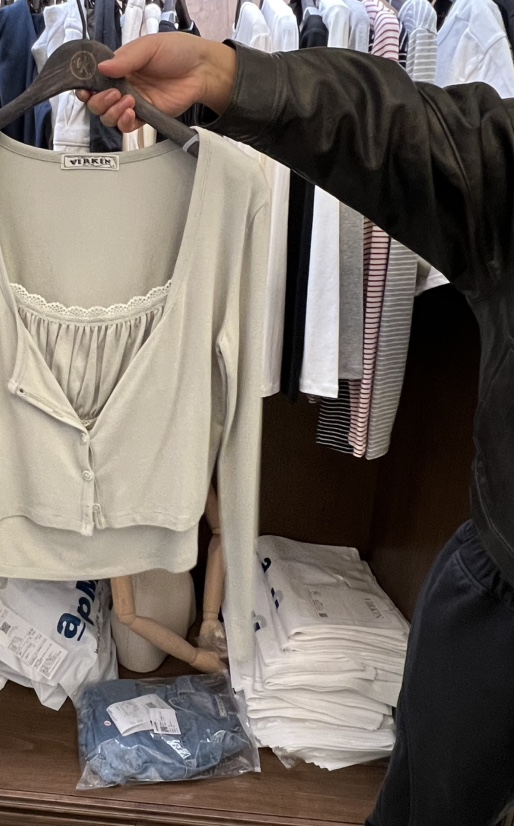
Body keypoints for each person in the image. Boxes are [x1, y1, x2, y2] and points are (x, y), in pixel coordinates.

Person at [79, 34, 514, 826]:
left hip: (474, 582)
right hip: (501, 581)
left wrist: (209, 636)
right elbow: (422, 141)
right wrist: (230, 75)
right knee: (430, 799)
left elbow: (221, 528)